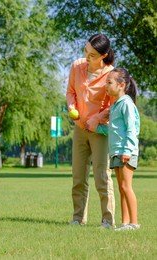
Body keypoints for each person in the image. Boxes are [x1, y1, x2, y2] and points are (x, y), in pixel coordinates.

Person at [66, 33, 116, 228]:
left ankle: (108, 220)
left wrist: (98, 118)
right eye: (85, 51)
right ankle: (78, 218)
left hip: (100, 131)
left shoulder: (111, 75)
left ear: (103, 55)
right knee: (78, 177)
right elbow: (71, 92)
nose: (86, 57)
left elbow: (115, 105)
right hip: (79, 129)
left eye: (92, 55)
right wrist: (71, 108)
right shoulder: (76, 66)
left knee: (102, 177)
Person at [104, 68, 140, 231]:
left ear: (121, 85)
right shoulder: (115, 106)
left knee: (126, 187)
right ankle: (125, 223)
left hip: (126, 152)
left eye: (109, 82)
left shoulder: (126, 104)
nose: (106, 85)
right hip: (116, 151)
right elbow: (114, 130)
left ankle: (134, 223)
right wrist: (97, 128)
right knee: (121, 188)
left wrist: (127, 150)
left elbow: (132, 129)